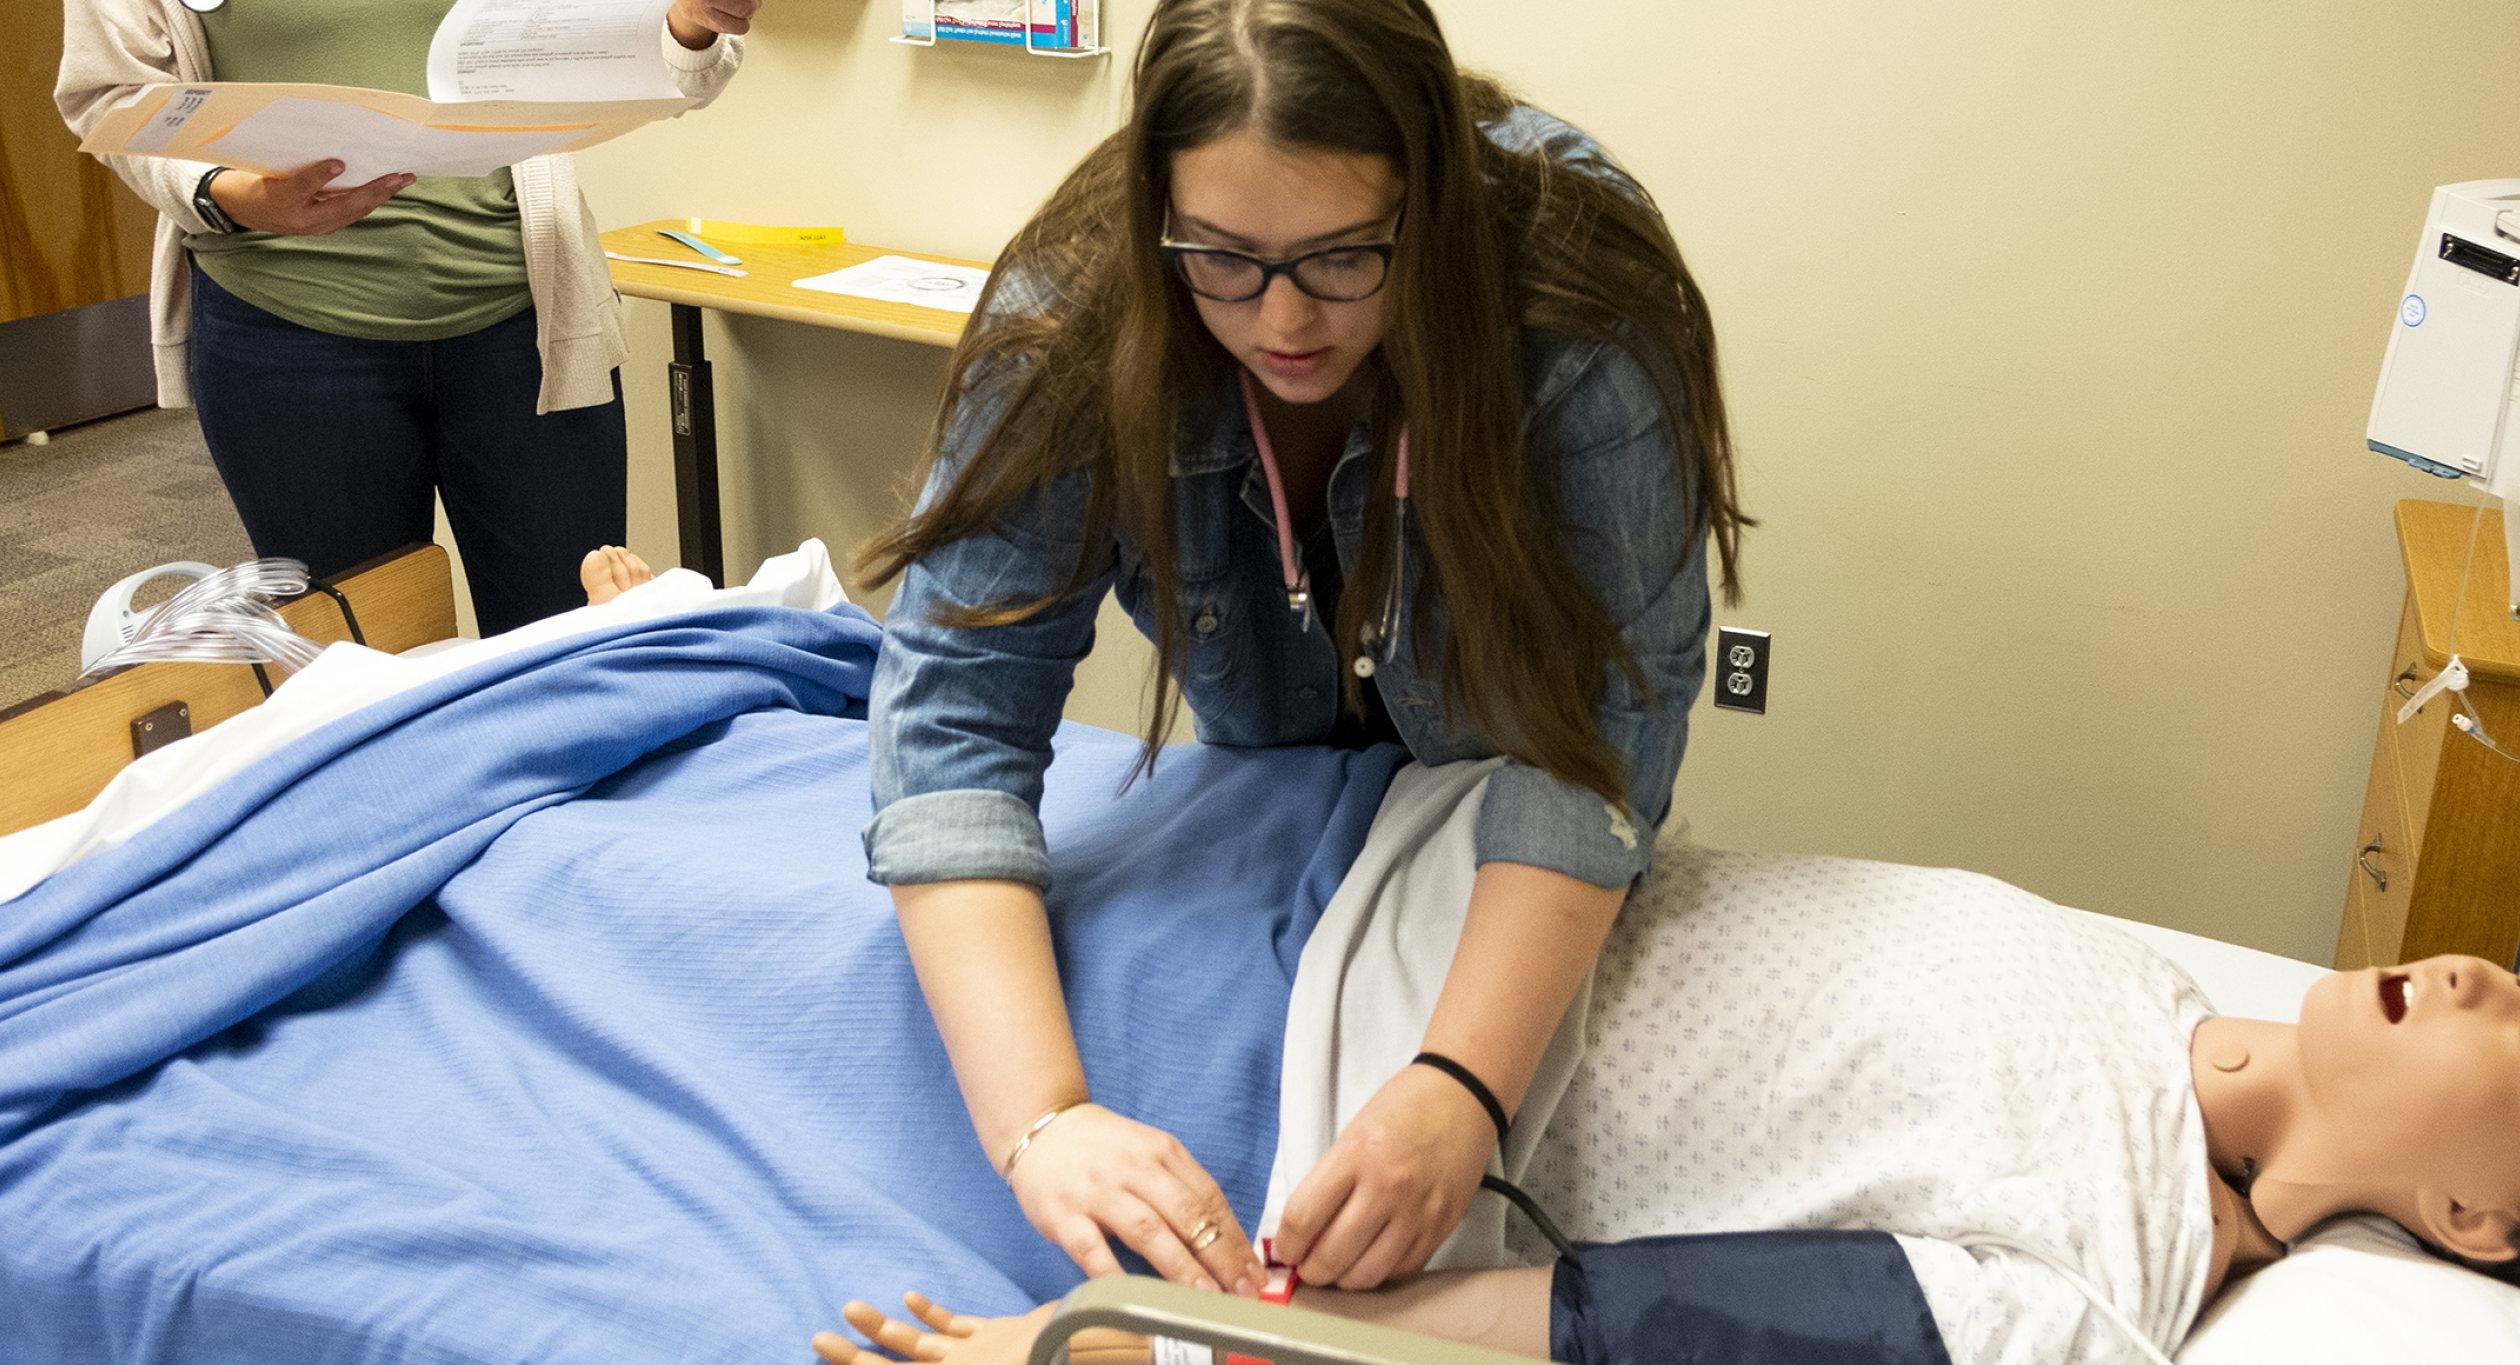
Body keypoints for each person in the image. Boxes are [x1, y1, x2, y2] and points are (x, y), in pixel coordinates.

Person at [856, 0, 1746, 1299]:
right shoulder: (1080, 307)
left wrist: (1460, 1091)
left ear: (1430, 205)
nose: (1282, 319)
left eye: (1342, 258)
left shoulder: (1580, 305)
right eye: (1220, 258)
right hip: (1268, 821)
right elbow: (952, 719)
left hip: (1506, 806)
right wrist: (1042, 1122)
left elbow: (1606, 728)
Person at [805, 848, 2520, 1365]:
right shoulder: (2154, 978)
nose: (2468, 973)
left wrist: (1153, 1343)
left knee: (779, 923)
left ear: (2480, 1223)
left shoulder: (2094, 1289)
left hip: (1292, 1059)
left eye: (2513, 1020)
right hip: (1370, 836)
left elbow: (1610, 1328)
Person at [56, 0, 759, 636]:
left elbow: (664, 51)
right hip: (286, 335)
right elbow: (108, 94)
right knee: (362, 665)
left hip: (528, 326)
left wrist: (689, 27)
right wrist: (226, 194)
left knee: (573, 644)